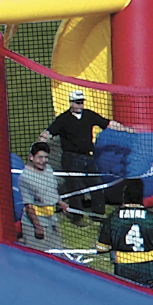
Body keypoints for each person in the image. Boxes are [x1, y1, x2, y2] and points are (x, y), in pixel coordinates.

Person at [39, 90, 132, 225]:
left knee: (96, 184)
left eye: (82, 102)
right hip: (71, 158)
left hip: (87, 157)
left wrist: (126, 129)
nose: (80, 104)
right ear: (71, 103)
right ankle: (77, 216)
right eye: (77, 102)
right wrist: (41, 142)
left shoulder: (89, 115)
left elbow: (107, 123)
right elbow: (49, 132)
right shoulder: (63, 119)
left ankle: (97, 213)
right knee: (75, 187)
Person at [96, 178, 153, 289]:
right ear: (141, 196)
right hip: (148, 272)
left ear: (124, 196)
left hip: (122, 272)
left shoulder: (113, 218)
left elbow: (102, 248)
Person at [18, 142, 69, 252]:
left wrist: (60, 202)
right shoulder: (26, 178)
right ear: (31, 157)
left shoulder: (49, 169)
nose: (43, 161)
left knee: (56, 253)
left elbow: (52, 190)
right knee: (38, 256)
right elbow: (29, 206)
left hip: (52, 220)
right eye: (40, 157)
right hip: (36, 224)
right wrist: (37, 227)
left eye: (46, 157)